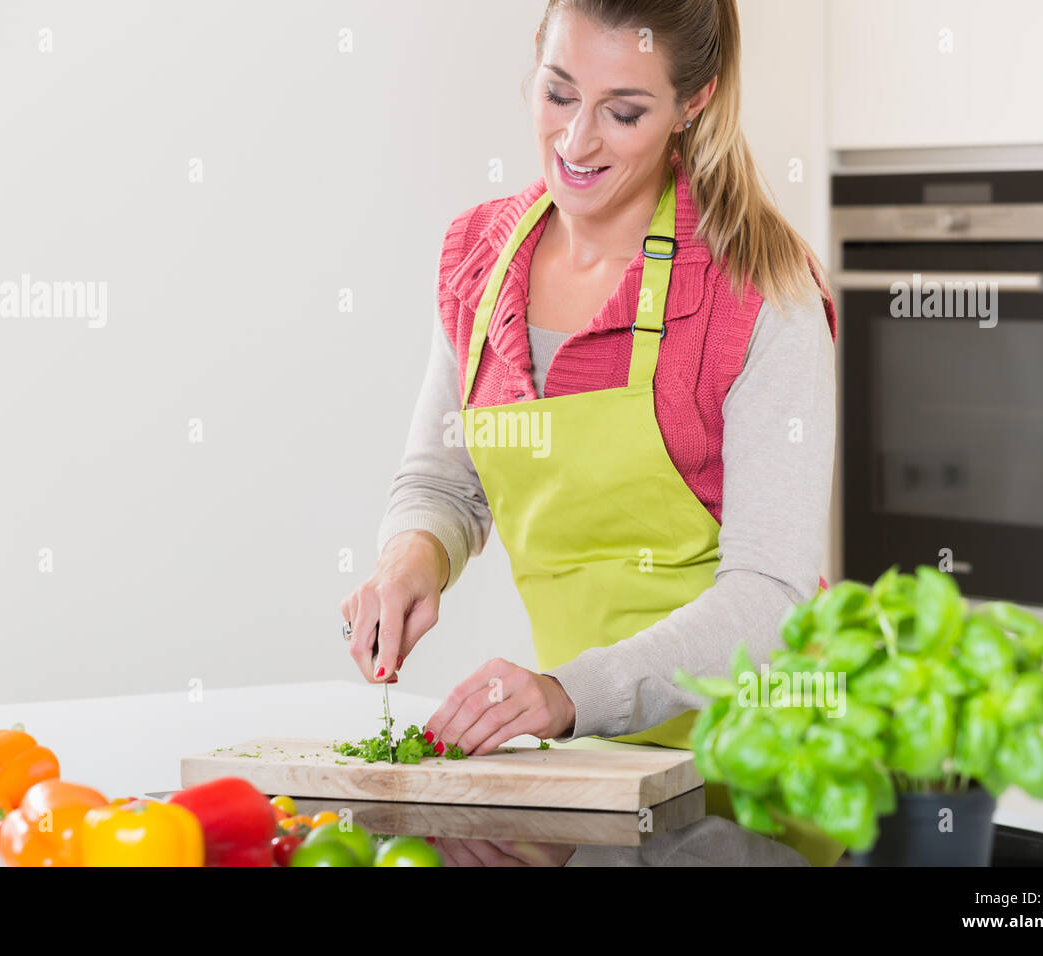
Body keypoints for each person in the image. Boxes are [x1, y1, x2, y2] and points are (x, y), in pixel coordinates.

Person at [340, 0, 838, 863]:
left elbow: (772, 596)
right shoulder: (478, 260)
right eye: (558, 94)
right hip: (590, 779)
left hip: (753, 780)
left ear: (696, 102)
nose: (577, 143)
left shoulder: (761, 291)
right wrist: (409, 558)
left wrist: (569, 693)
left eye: (624, 111)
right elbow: (443, 481)